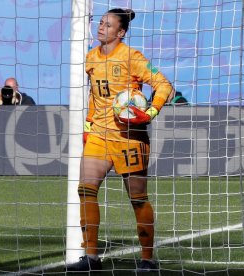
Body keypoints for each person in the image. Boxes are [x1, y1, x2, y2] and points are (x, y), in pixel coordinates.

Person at [67, 8, 174, 272]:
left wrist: (149, 112)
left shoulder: (132, 57)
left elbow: (164, 86)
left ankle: (148, 260)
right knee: (85, 190)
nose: (101, 27)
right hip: (99, 137)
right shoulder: (91, 58)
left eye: (108, 24)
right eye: (101, 23)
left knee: (137, 198)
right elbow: (96, 97)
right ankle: (91, 258)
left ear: (121, 31)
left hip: (129, 138)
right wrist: (89, 124)